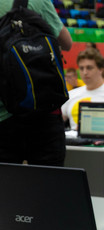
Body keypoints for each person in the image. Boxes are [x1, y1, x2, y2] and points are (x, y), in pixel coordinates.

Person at [0, 0, 72, 166]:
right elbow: (67, 43)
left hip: (3, 117)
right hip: (43, 111)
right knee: (48, 186)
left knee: (5, 188)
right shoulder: (39, 1)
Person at [61, 48, 104, 130]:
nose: (85, 72)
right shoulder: (70, 95)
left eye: (89, 68)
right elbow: (57, 124)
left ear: (100, 69)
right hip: (73, 142)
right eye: (81, 68)